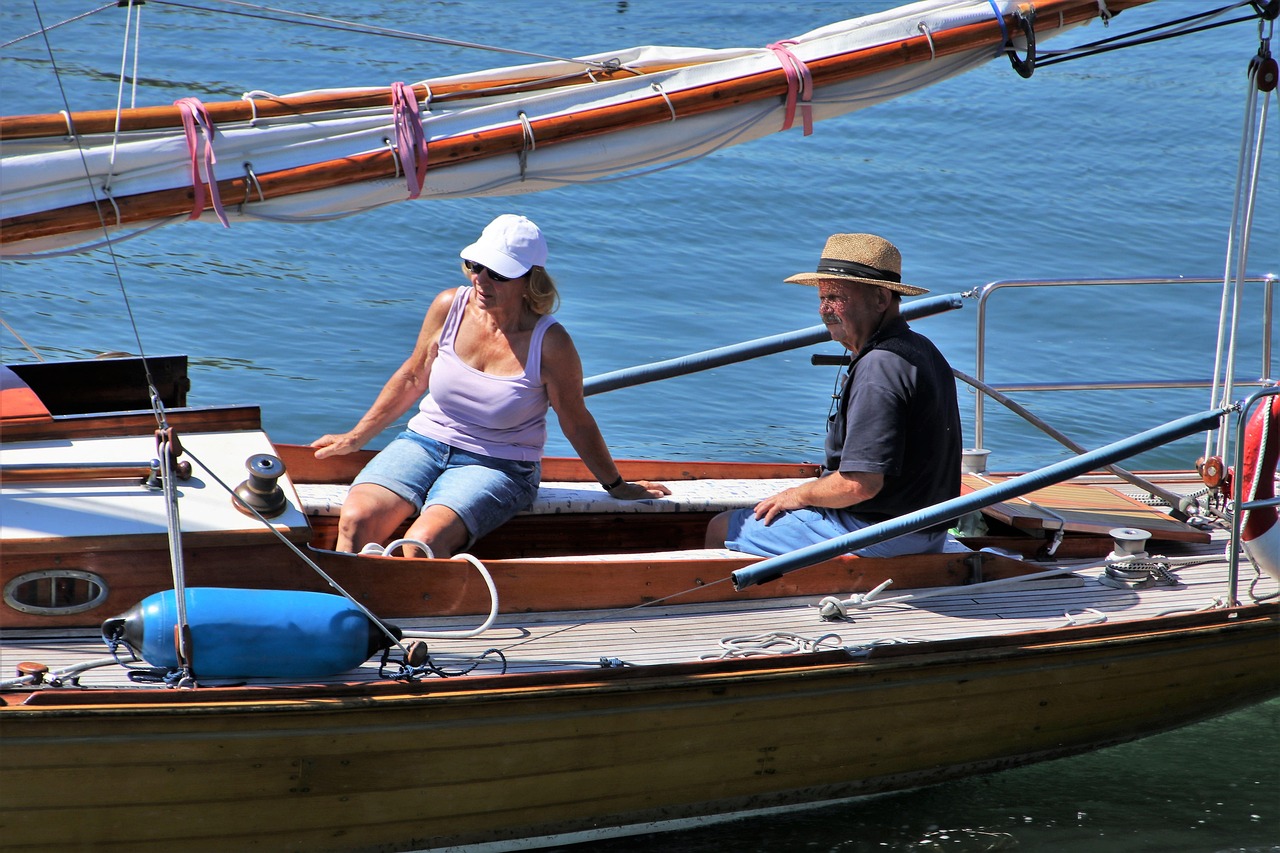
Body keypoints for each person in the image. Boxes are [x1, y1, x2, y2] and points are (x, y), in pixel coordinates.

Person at [312, 214, 669, 558]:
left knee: (420, 543)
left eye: (497, 273)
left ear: (531, 279)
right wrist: (356, 437)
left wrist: (615, 485)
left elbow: (575, 420)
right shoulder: (449, 306)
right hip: (423, 442)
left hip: (501, 464)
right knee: (357, 521)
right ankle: (352, 610)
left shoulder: (551, 344)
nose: (481, 279)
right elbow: (413, 375)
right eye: (474, 265)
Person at [706, 232, 961, 557]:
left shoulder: (878, 369)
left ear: (881, 299)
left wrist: (799, 495)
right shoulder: (921, 348)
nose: (825, 310)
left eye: (836, 297)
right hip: (926, 528)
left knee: (722, 526)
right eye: (821, 298)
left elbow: (859, 485)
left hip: (882, 532)